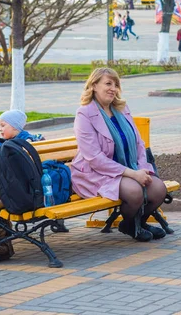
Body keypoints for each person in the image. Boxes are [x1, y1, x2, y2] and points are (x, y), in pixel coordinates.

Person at [71, 68, 168, 242]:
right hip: (96, 174)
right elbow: (95, 159)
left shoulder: (122, 109)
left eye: (116, 85)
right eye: (108, 83)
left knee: (159, 189)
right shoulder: (84, 114)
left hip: (130, 169)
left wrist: (142, 169)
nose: (113, 88)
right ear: (94, 85)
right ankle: (131, 225)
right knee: (134, 192)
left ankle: (137, 222)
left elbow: (138, 143)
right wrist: (133, 174)